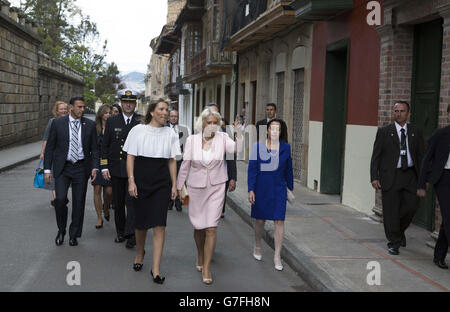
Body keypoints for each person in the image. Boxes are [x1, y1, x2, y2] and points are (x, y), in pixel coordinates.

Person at [177, 108, 242, 285]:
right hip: (196, 188)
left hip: (216, 186)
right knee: (199, 227)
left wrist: (238, 133)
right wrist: (177, 186)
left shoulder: (223, 138)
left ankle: (206, 267)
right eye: (209, 122)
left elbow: (237, 149)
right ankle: (200, 254)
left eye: (215, 122)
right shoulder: (191, 140)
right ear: (202, 123)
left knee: (211, 227)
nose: (212, 126)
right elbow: (185, 165)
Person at [125, 98, 180, 285]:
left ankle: (156, 268)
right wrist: (131, 181)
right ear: (151, 112)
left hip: (161, 181)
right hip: (140, 179)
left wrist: (174, 184)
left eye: (167, 110)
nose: (165, 113)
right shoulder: (137, 131)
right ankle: (140, 253)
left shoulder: (170, 133)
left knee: (159, 224)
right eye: (162, 109)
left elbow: (172, 159)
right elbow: (130, 156)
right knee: (140, 224)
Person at [370, 101, 425, 255]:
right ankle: (394, 243)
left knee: (411, 207)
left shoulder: (416, 131)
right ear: (393, 113)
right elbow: (376, 156)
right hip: (391, 175)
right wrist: (374, 177)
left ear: (408, 114)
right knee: (391, 211)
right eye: (396, 111)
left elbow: (421, 156)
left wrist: (423, 179)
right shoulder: (384, 132)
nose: (398, 113)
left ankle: (399, 232)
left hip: (410, 175)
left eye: (402, 111)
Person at [44, 96, 99, 247]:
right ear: (71, 107)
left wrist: (95, 167)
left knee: (79, 202)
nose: (82, 110)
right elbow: (50, 148)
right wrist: (47, 169)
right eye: (79, 107)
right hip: (63, 167)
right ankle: (61, 230)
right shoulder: (57, 123)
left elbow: (95, 149)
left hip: (81, 168)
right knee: (60, 200)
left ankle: (74, 234)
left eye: (83, 107)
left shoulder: (90, 125)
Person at [248, 118, 293, 271]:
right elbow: (252, 169)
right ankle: (258, 245)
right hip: (261, 188)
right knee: (260, 220)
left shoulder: (286, 147)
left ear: (281, 132)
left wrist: (290, 188)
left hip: (279, 189)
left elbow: (289, 169)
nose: (274, 131)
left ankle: (277, 255)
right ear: (267, 130)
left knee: (279, 221)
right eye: (272, 128)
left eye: (278, 129)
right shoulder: (257, 147)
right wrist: (251, 189)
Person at [101, 90, 142, 249]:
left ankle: (131, 233)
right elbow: (105, 145)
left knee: (132, 203)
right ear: (122, 103)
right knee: (118, 203)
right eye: (125, 102)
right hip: (116, 168)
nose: (128, 105)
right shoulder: (112, 121)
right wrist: (104, 166)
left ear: (135, 104)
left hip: (134, 169)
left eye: (131, 102)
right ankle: (120, 232)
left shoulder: (140, 121)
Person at [417, 104, 450, 270]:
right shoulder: (440, 134)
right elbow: (427, 159)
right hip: (443, 179)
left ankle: (439, 255)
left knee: (447, 220)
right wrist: (422, 183)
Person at [206, 103, 237, 218]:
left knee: (216, 214)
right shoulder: (197, 133)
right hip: (203, 179)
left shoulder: (226, 133)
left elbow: (231, 157)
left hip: (220, 178)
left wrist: (233, 178)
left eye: (216, 113)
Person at [40, 101, 69, 207]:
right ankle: (57, 199)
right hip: (53, 154)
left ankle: (60, 197)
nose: (63, 111)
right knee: (53, 177)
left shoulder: (70, 121)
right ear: (57, 110)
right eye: (61, 109)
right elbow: (46, 138)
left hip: (66, 155)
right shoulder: (52, 121)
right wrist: (43, 152)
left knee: (64, 177)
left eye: (65, 109)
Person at [91, 104, 113, 229]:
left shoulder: (113, 127)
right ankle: (99, 218)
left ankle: (106, 207)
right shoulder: (95, 128)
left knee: (109, 191)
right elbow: (92, 147)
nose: (108, 115)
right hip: (97, 161)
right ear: (101, 114)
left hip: (110, 162)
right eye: (106, 113)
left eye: (110, 112)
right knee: (97, 189)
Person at [167, 108, 189, 212]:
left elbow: (186, 146)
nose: (174, 118)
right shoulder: (164, 128)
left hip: (180, 158)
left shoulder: (183, 129)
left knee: (179, 180)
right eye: (172, 116)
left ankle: (178, 203)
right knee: (169, 180)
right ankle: (169, 202)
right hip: (168, 158)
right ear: (169, 117)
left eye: (175, 116)